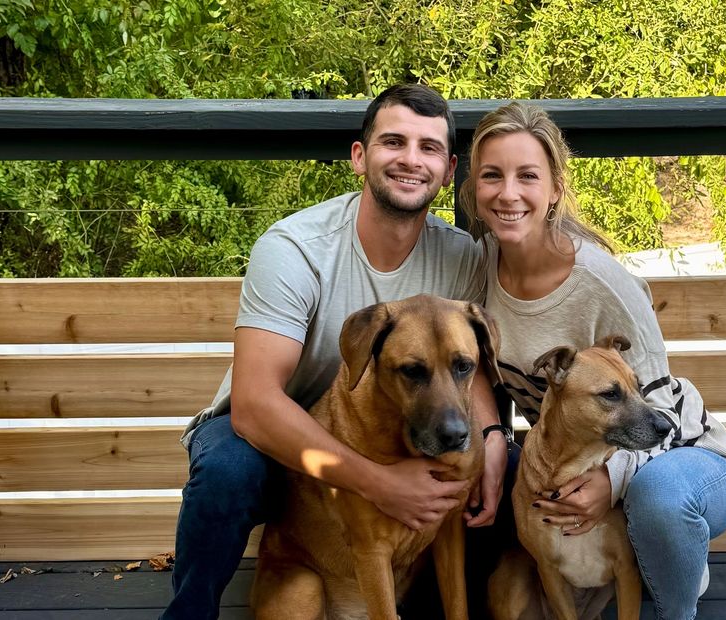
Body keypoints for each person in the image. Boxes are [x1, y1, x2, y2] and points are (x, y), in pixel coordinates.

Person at [162, 84, 512, 620]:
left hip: (388, 425)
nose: (410, 160)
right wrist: (380, 483)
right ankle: (189, 613)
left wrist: (490, 437)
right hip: (272, 432)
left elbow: (466, 366)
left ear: (448, 171)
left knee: (505, 467)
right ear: (359, 156)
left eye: (429, 148)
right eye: (393, 142)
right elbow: (255, 404)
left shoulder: (459, 256)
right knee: (227, 469)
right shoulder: (296, 248)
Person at [458, 102, 726, 620]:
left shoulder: (601, 283)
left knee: (656, 496)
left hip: (686, 458)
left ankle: (673, 588)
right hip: (581, 454)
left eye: (527, 176)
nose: (508, 193)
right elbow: (473, 367)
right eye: (492, 176)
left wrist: (612, 482)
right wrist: (489, 439)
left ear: (554, 189)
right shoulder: (478, 270)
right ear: (473, 189)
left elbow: (661, 411)